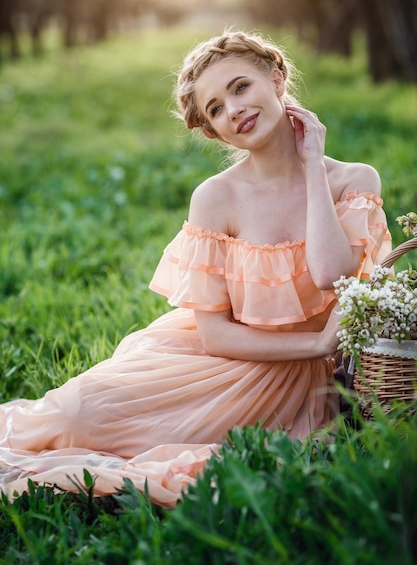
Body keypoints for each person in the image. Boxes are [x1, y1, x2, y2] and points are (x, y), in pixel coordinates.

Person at [0, 29, 392, 508]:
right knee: (73, 417)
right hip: (220, 359)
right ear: (212, 130)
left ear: (277, 78)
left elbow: (333, 273)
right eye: (215, 109)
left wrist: (312, 165)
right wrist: (316, 342)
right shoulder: (215, 198)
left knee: (180, 448)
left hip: (294, 386)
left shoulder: (354, 180)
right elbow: (215, 336)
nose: (234, 110)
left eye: (240, 87)